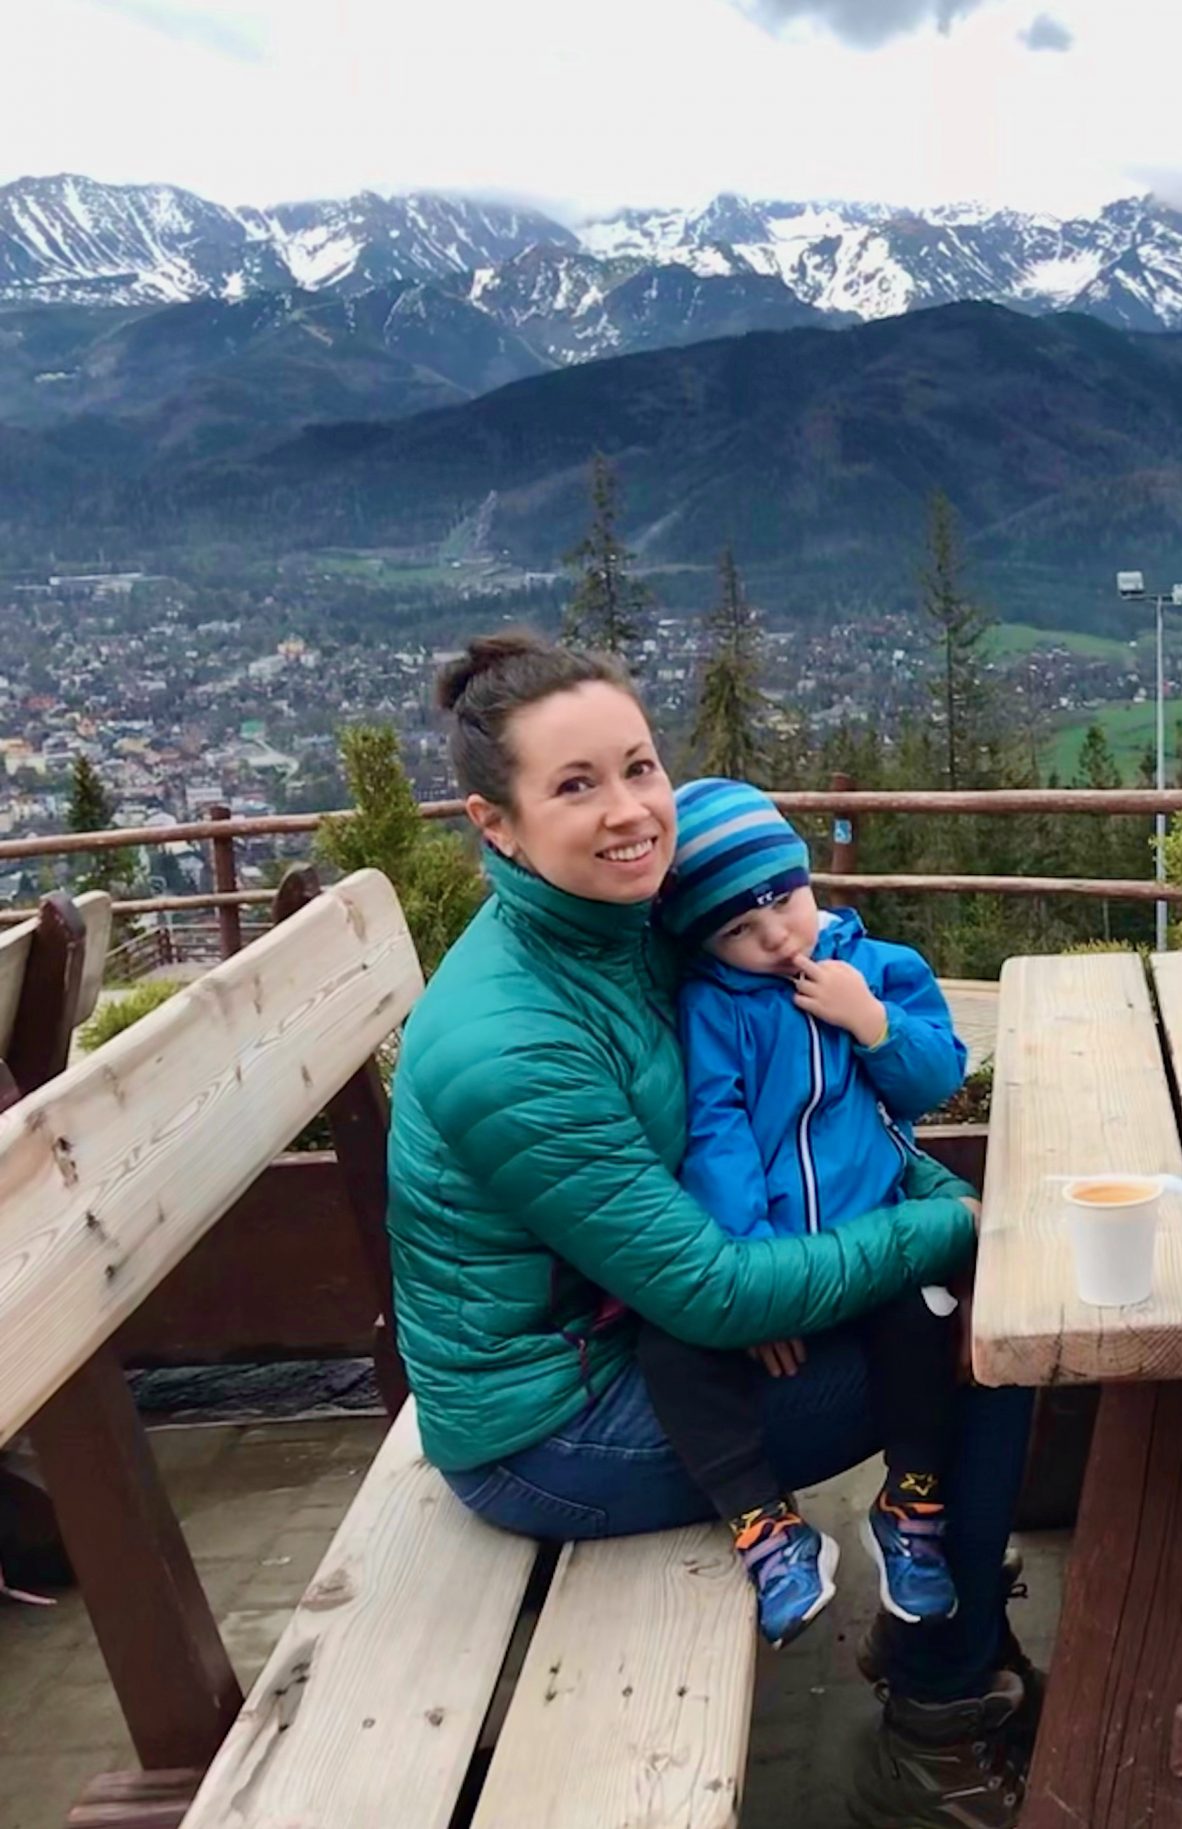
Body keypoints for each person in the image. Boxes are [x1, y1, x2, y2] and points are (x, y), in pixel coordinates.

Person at [385, 631, 1036, 1825]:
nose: (630, 810)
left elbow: (804, 1117)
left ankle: (942, 1617)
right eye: (575, 785)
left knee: (985, 1307)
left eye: (640, 767)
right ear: (497, 823)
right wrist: (952, 1225)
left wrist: (924, 1195)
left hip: (644, 1327)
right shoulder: (509, 1039)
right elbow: (713, 1294)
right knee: (987, 1343)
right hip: (554, 1422)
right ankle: (938, 1714)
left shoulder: (638, 925)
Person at [646, 776, 972, 1646]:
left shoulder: (878, 967)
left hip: (871, 1234)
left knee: (930, 1315)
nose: (774, 934)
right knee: (671, 1349)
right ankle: (765, 1525)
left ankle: (911, 1501)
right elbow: (715, 1137)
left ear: (804, 877)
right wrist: (759, 1279)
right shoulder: (714, 1006)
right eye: (737, 929)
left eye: (783, 901)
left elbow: (935, 1078)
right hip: (775, 1263)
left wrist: (872, 1023)